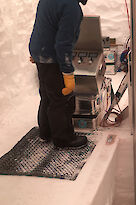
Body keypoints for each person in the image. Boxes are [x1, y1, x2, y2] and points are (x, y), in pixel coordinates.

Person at [29, 0, 88, 148]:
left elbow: (42, 27)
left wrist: (36, 54)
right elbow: (63, 44)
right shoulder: (71, 7)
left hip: (40, 52)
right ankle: (64, 139)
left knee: (48, 95)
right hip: (52, 56)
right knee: (62, 99)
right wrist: (67, 72)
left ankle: (46, 132)